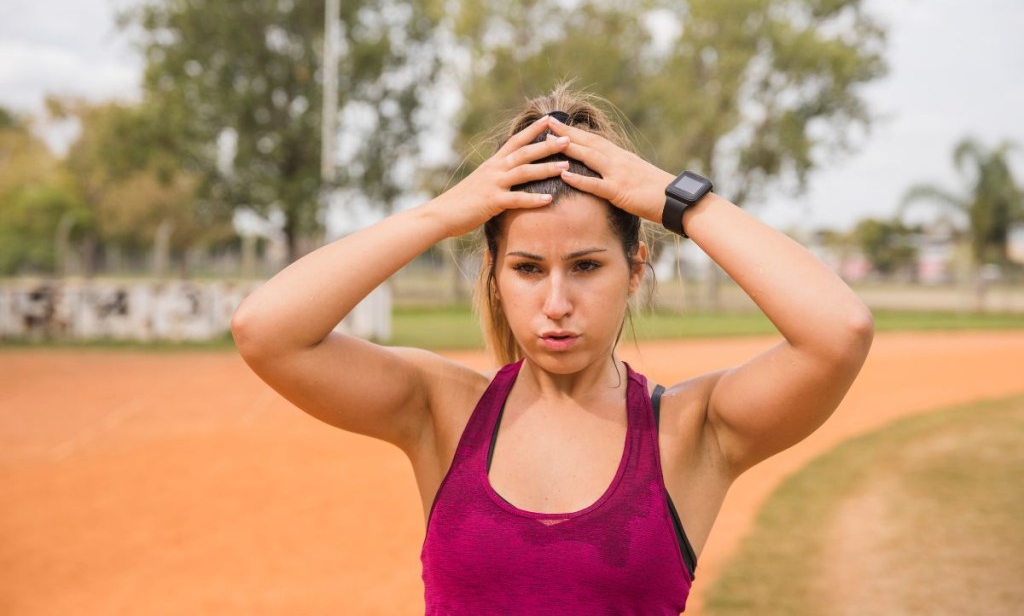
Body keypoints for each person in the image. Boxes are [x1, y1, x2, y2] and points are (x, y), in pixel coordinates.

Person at [231, 86, 874, 614]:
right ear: (495, 275)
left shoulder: (690, 432)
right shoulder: (442, 412)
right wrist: (440, 215)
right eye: (529, 268)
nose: (557, 302)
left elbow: (839, 331)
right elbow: (265, 329)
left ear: (635, 270)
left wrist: (676, 199)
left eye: (587, 266)